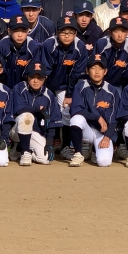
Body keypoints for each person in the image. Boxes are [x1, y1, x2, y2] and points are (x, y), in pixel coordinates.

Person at [40, 16, 88, 157]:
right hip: (48, 83)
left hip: (66, 86)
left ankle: (65, 146)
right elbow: (45, 70)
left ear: (75, 33)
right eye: (63, 32)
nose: (67, 36)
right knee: (46, 112)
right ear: (57, 32)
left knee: (66, 111)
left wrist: (69, 94)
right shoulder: (49, 44)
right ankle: (49, 141)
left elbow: (76, 74)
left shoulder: (80, 46)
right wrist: (42, 91)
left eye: (70, 32)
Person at [68, 53, 121, 167]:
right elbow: (76, 110)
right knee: (76, 119)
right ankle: (78, 154)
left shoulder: (112, 91)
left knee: (103, 162)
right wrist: (97, 117)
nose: (97, 72)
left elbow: (114, 119)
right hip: (86, 129)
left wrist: (107, 137)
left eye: (100, 68)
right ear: (87, 71)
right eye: (93, 68)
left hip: (102, 132)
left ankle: (94, 150)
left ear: (105, 71)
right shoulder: (80, 86)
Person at [10, 60, 63, 166]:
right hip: (16, 131)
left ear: (45, 78)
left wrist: (49, 143)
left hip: (34, 133)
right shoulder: (19, 88)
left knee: (44, 158)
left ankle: (20, 149)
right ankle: (25, 151)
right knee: (27, 116)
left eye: (39, 78)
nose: (35, 81)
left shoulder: (49, 95)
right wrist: (38, 109)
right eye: (32, 77)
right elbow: (19, 110)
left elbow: (53, 122)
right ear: (27, 77)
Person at [0, 15, 40, 89]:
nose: (20, 35)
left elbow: (34, 72)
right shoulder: (2, 45)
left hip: (25, 87)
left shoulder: (33, 47)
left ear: (28, 31)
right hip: (4, 86)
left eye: (23, 31)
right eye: (16, 31)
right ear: (9, 31)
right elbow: (0, 72)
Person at [94, 17, 128, 90]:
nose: (120, 35)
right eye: (116, 31)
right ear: (110, 32)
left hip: (121, 85)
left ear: (127, 32)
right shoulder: (101, 44)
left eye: (123, 31)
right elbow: (94, 66)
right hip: (101, 83)